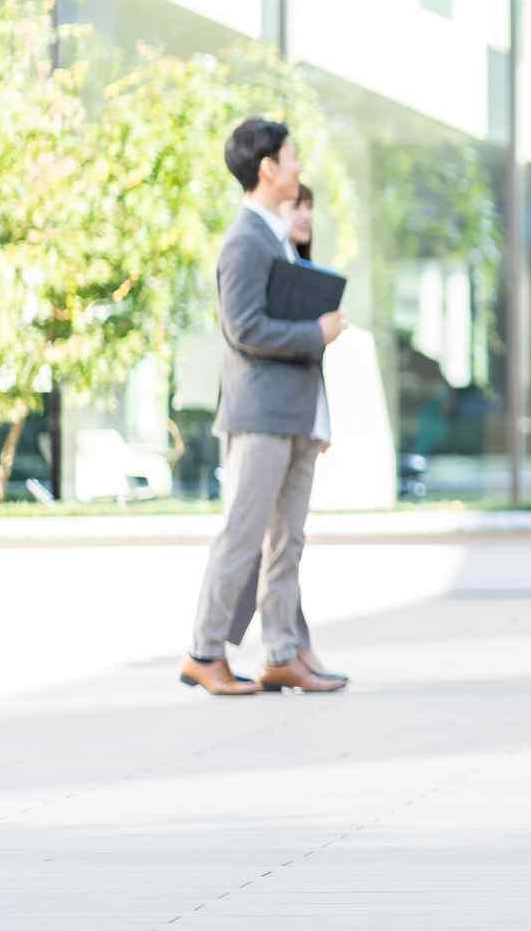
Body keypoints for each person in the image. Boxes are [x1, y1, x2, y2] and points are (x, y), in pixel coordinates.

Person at [179, 121, 348, 696]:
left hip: (291, 414)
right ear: (268, 169)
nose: (299, 167)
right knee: (243, 537)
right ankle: (204, 651)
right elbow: (244, 327)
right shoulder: (245, 240)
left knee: (286, 542)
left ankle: (281, 652)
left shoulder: (275, 236)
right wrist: (316, 332)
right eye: (292, 157)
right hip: (260, 416)